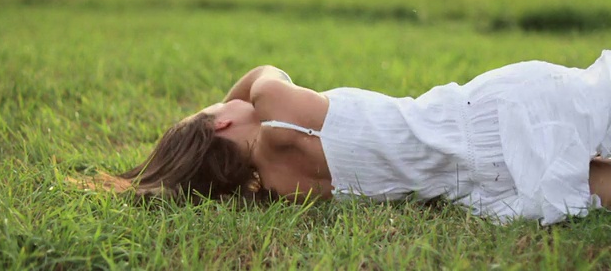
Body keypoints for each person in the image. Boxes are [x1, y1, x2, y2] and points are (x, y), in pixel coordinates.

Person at [96, 50, 611, 225]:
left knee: (582, 181)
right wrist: (224, 106)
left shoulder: (277, 188)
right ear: (222, 123)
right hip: (475, 117)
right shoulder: (276, 112)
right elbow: (259, 72)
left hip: (473, 181)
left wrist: (211, 137)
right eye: (212, 109)